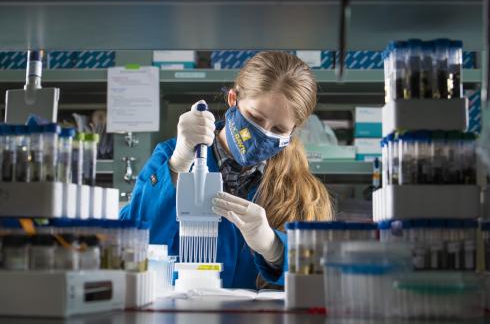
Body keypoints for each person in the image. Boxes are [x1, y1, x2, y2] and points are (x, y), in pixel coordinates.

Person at [120, 51, 333, 289]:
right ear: (233, 99)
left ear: (293, 131)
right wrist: (177, 165)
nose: (262, 134)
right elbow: (130, 245)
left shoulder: (302, 192)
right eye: (255, 117)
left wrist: (275, 249)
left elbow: (318, 277)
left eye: (278, 129)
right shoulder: (170, 156)